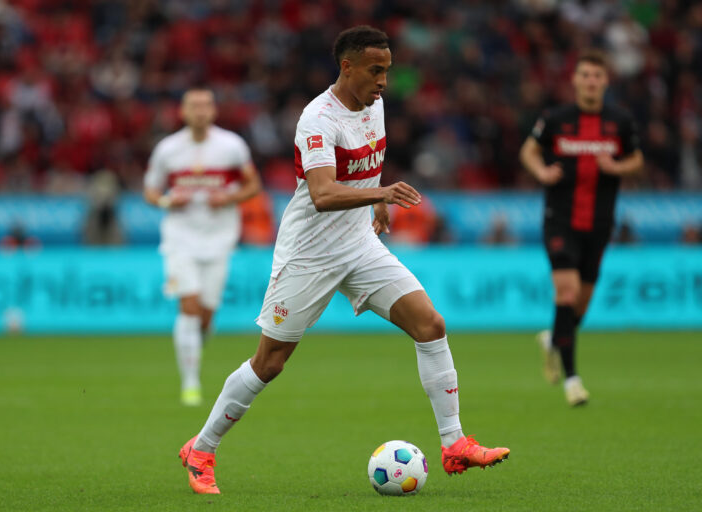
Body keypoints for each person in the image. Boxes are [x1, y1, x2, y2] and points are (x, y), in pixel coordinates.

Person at [178, 26, 509, 495]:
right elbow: (322, 192)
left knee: (430, 325)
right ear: (347, 66)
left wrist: (375, 203)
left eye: (388, 71)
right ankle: (202, 448)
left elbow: (366, 163)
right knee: (270, 362)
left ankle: (454, 444)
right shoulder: (317, 118)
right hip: (309, 254)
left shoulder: (374, 105)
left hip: (359, 246)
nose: (384, 82)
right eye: (376, 71)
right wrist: (382, 193)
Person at [519, 49, 643, 406]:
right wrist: (542, 172)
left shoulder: (619, 121)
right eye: (585, 75)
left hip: (600, 223)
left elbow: (637, 159)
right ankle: (572, 380)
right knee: (567, 293)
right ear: (575, 80)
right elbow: (528, 151)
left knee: (580, 307)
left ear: (605, 81)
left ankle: (554, 339)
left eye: (597, 76)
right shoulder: (556, 118)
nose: (591, 81)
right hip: (560, 219)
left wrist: (617, 168)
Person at [144, 88, 262, 406]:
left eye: (206, 105)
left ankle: (195, 348)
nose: (200, 111)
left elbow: (253, 185)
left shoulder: (231, 146)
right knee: (190, 306)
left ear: (213, 111)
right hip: (180, 238)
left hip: (220, 238)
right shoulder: (167, 149)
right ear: (182, 112)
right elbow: (151, 191)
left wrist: (229, 197)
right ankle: (190, 384)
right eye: (193, 105)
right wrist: (169, 200)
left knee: (206, 315)